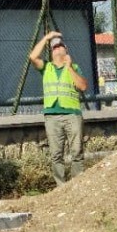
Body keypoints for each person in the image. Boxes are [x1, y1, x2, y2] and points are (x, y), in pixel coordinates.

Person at [29, 30, 87, 184]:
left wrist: (69, 67)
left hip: (72, 114)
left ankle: (77, 183)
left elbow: (82, 86)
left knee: (77, 152)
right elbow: (32, 57)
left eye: (60, 46)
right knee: (56, 154)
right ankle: (61, 187)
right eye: (54, 47)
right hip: (52, 116)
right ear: (51, 52)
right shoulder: (46, 67)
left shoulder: (74, 67)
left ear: (66, 50)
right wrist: (46, 38)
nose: (57, 48)